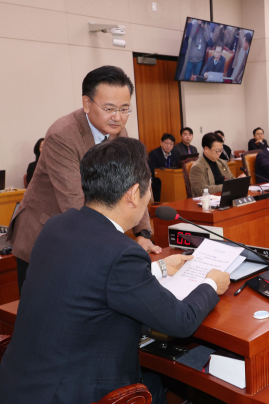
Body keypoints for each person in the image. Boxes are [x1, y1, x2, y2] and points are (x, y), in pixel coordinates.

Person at [0, 138, 230, 404]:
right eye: (150, 187)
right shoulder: (121, 252)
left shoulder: (58, 225)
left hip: (16, 396)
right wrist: (211, 283)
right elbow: (180, 321)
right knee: (155, 390)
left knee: (155, 385)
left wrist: (161, 268)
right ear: (134, 193)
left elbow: (87, 276)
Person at [8, 65, 159, 293]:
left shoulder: (118, 133)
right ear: (87, 103)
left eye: (125, 108)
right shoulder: (63, 135)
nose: (117, 117)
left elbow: (135, 185)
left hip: (88, 234)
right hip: (47, 235)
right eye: (109, 108)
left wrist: (143, 233)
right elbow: (74, 202)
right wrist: (115, 247)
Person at [149, 134, 179, 202]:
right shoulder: (153, 154)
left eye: (171, 144)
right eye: (166, 143)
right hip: (158, 183)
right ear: (161, 142)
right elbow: (153, 171)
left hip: (172, 181)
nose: (168, 146)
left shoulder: (175, 153)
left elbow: (177, 167)